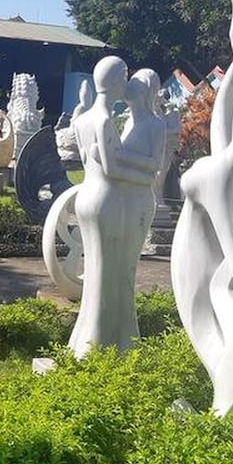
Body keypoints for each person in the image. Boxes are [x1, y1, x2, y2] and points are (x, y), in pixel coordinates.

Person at [67, 57, 163, 358]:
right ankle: (100, 343)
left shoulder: (84, 118)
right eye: (126, 76)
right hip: (106, 201)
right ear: (118, 81)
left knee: (102, 274)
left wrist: (135, 166)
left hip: (90, 197)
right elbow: (110, 169)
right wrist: (142, 172)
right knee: (110, 274)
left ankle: (90, 339)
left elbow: (95, 159)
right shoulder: (106, 120)